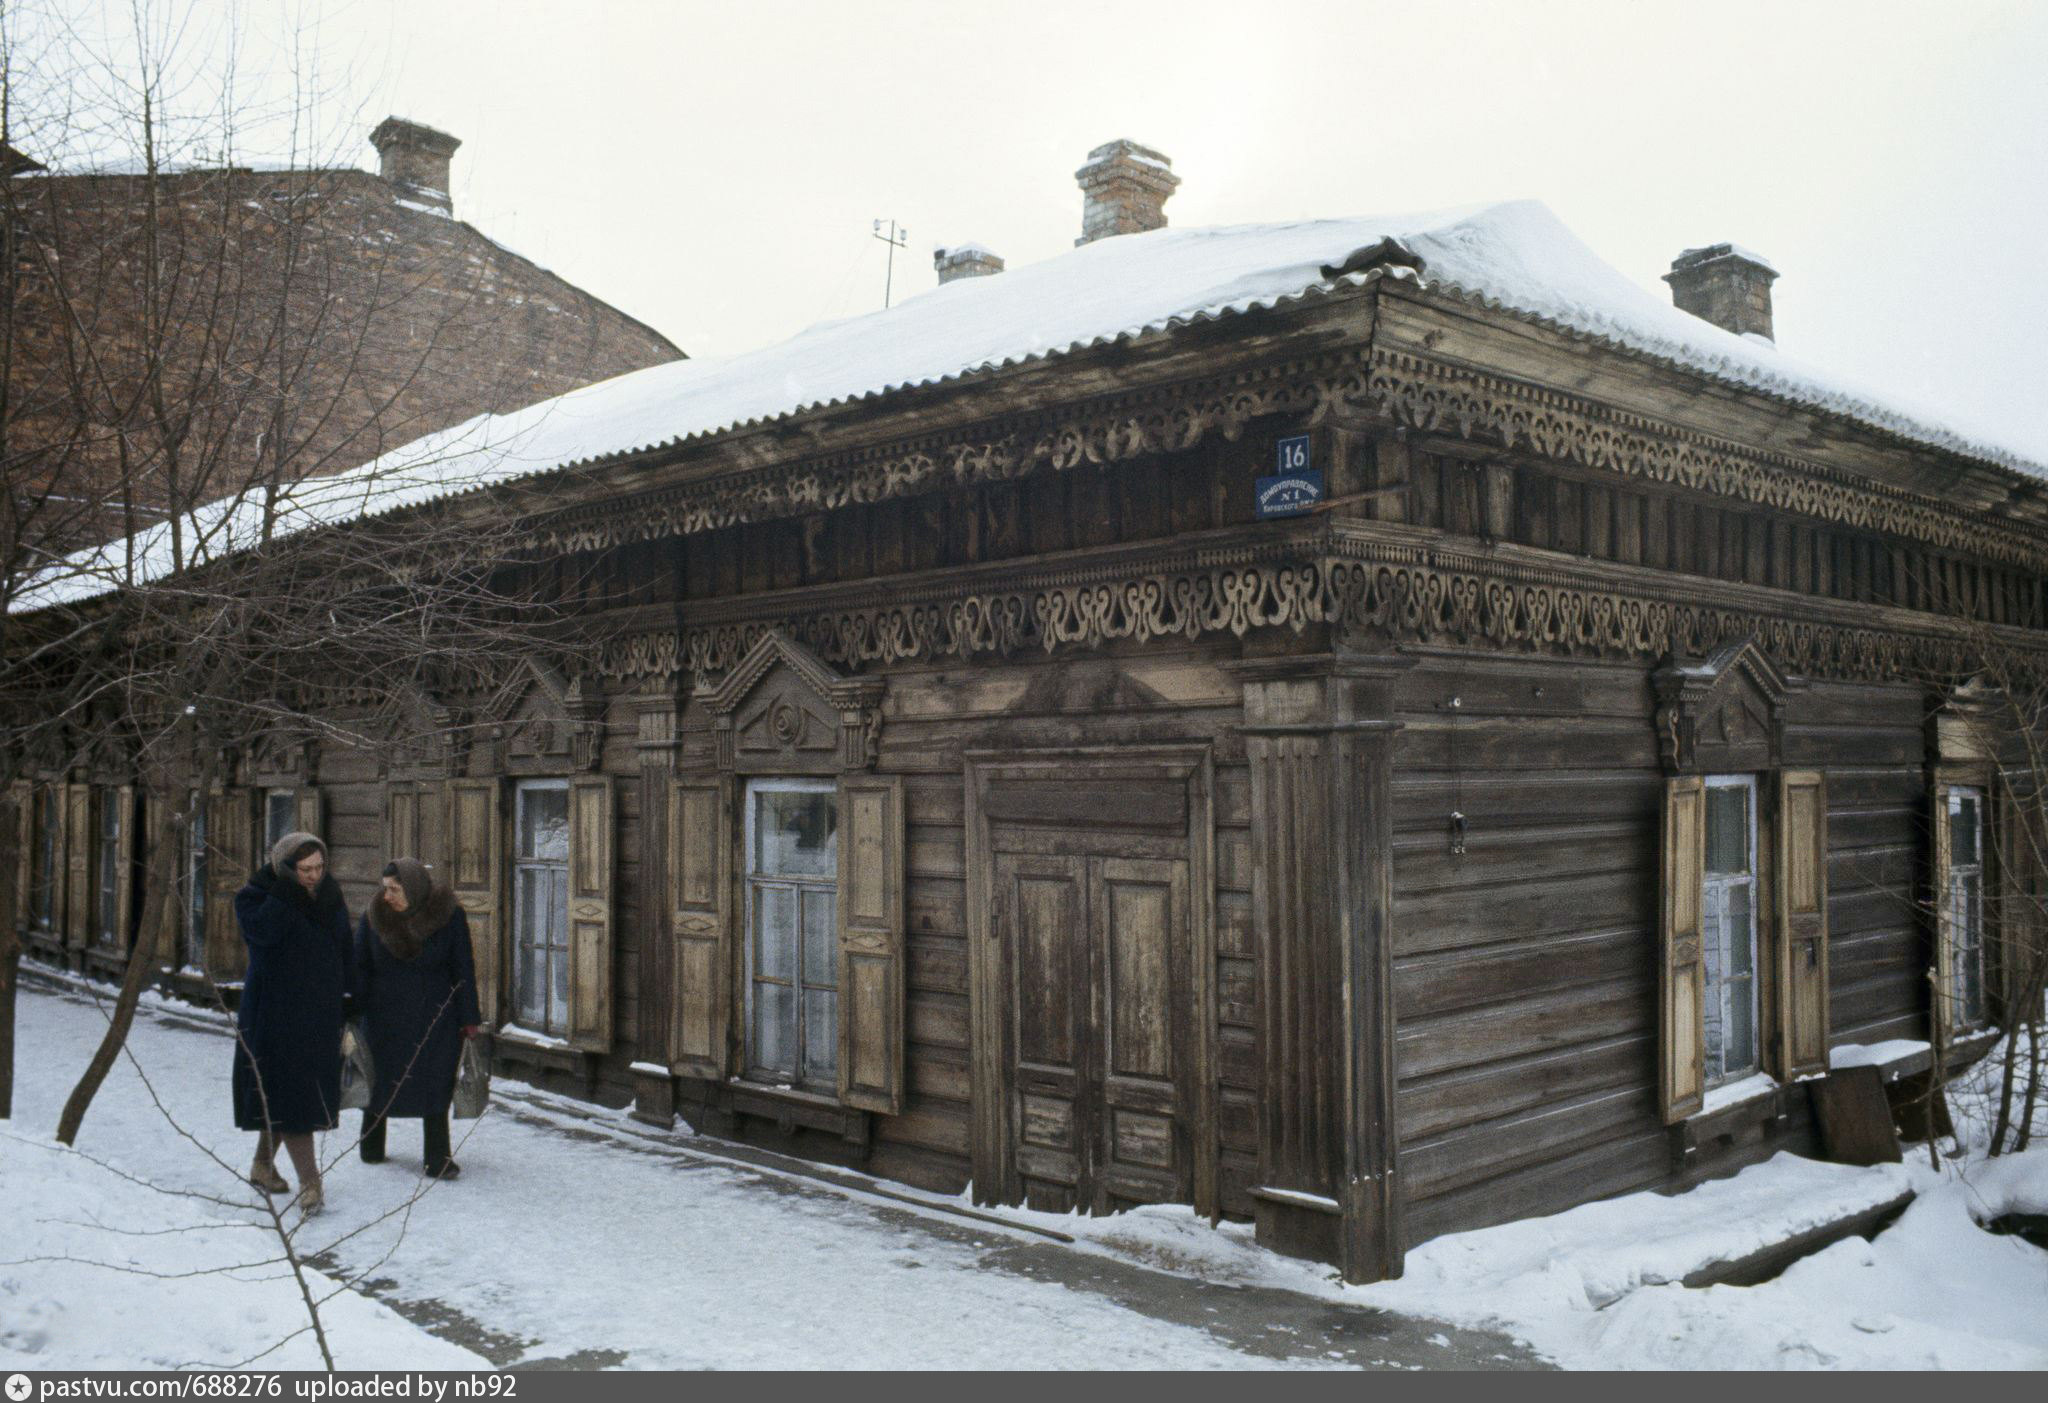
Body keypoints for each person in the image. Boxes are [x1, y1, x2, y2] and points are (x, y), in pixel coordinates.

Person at [232, 832, 352, 1214]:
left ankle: (262, 1165)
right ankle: (310, 1183)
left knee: (286, 1094)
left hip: (318, 1012)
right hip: (273, 1013)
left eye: (319, 867)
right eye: (304, 870)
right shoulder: (255, 897)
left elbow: (343, 947)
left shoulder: (330, 895)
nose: (314, 876)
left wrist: (347, 995)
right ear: (284, 868)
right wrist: (286, 893)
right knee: (293, 1096)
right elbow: (263, 937)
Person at [354, 857, 480, 1179]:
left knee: (435, 1082)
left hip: (435, 1016)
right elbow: (360, 968)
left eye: (394, 889)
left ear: (413, 888)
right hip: (383, 1018)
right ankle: (371, 1145)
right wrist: (350, 1012)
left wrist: (468, 1018)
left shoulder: (448, 916)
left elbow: (462, 969)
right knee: (380, 1079)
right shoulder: (374, 918)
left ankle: (437, 1159)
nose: (387, 896)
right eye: (385, 888)